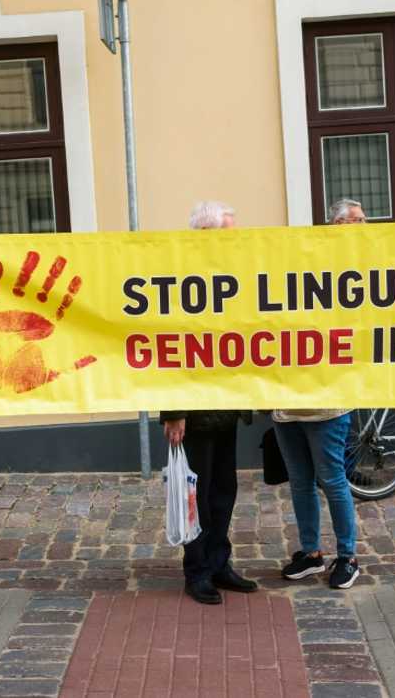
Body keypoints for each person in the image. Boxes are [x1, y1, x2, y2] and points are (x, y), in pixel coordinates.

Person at [159, 201, 256, 605]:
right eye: (228, 233)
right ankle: (196, 570)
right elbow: (166, 345)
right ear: (204, 234)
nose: (235, 241)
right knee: (194, 494)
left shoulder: (232, 275)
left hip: (226, 403)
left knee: (223, 490)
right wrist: (173, 410)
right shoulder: (179, 276)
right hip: (193, 412)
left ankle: (219, 563)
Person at [273, 406, 360, 589]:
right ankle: (311, 554)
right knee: (300, 484)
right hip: (286, 413)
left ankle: (348, 558)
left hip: (327, 413)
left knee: (333, 483)